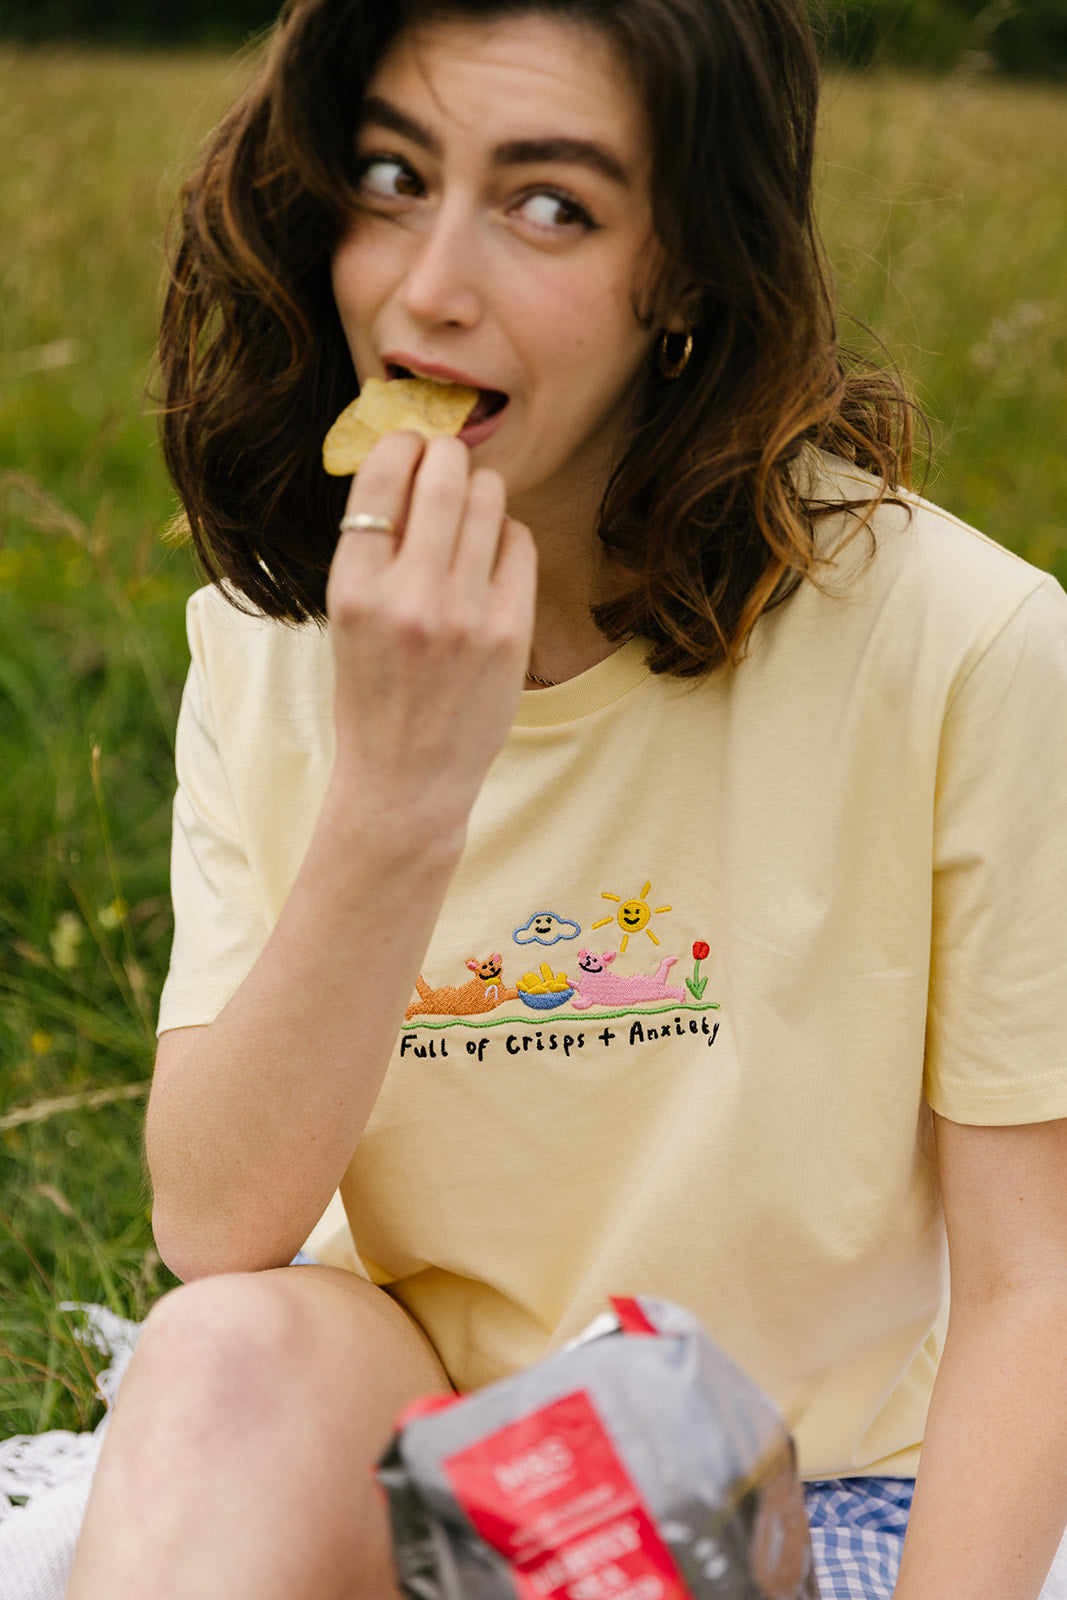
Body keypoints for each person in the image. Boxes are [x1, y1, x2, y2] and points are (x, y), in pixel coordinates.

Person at [66, 0, 1067, 1597]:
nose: (428, 287)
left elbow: (1038, 1288)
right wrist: (399, 793)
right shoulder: (268, 648)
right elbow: (217, 1222)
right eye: (394, 176)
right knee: (221, 1356)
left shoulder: (965, 645)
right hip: (419, 1447)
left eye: (550, 205)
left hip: (812, 1488)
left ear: (681, 270)